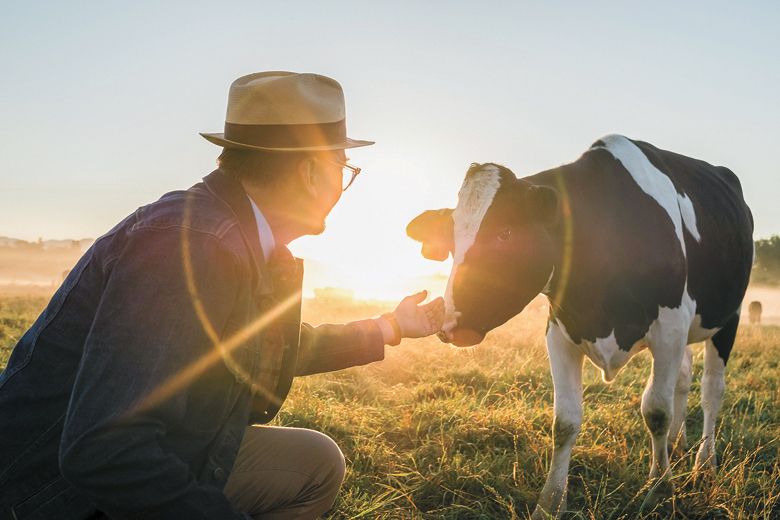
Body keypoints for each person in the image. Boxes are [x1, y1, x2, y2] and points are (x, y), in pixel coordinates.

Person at [0, 71, 445, 520]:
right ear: (312, 172)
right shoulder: (189, 245)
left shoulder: (237, 237)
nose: (343, 187)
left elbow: (262, 347)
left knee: (314, 462)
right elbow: (104, 449)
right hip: (44, 495)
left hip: (146, 448)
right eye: (343, 169)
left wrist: (391, 327)